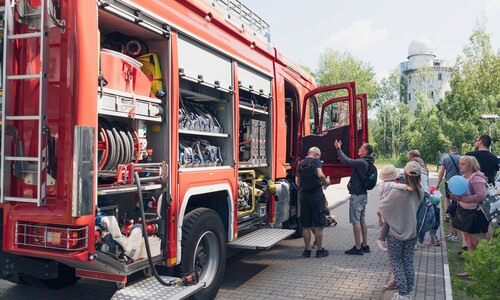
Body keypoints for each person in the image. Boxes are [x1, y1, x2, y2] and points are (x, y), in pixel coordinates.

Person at [379, 161, 423, 300]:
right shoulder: (420, 190)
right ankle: (407, 292)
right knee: (408, 261)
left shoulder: (399, 191)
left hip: (396, 232)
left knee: (396, 262)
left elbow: (384, 207)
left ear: (404, 173)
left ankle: (403, 294)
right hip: (412, 231)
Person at [450, 156, 489, 278]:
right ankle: (471, 270)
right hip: (465, 212)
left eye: (462, 164)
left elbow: (481, 196)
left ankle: (479, 271)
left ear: (470, 165)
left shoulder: (477, 178)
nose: (459, 166)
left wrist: (463, 199)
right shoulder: (462, 178)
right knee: (468, 242)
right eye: (459, 163)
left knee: (476, 243)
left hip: (475, 214)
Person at [333, 140, 374, 255]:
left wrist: (338, 148)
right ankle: (365, 245)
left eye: (361, 148)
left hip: (357, 196)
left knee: (355, 221)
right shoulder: (369, 162)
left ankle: (357, 247)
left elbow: (346, 161)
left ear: (365, 151)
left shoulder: (362, 162)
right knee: (362, 220)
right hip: (363, 195)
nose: (358, 149)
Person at [295, 147, 331, 258]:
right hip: (316, 196)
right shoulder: (316, 161)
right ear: (316, 154)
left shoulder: (300, 163)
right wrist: (326, 182)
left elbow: (297, 182)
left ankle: (307, 251)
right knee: (319, 224)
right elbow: (320, 175)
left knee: (306, 225)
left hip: (303, 196)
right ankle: (320, 251)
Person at [466, 135, 498, 240]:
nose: (475, 142)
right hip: (488, 192)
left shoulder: (470, 156)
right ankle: (485, 246)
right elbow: (494, 174)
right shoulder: (494, 158)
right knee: (487, 221)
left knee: (469, 219)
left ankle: (467, 246)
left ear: (481, 142)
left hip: (472, 191)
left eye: (476, 140)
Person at [377, 164, 412, 252]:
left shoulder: (381, 184)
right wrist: (407, 187)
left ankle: (383, 239)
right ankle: (381, 239)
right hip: (388, 207)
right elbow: (398, 186)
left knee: (386, 224)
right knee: (388, 224)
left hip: (382, 206)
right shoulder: (391, 184)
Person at [436, 146, 462, 243]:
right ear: (457, 150)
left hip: (449, 183)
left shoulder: (446, 159)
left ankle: (447, 214)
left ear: (449, 151)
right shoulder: (462, 158)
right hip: (460, 183)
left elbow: (441, 173)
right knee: (456, 204)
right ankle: (453, 231)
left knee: (448, 199)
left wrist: (437, 184)